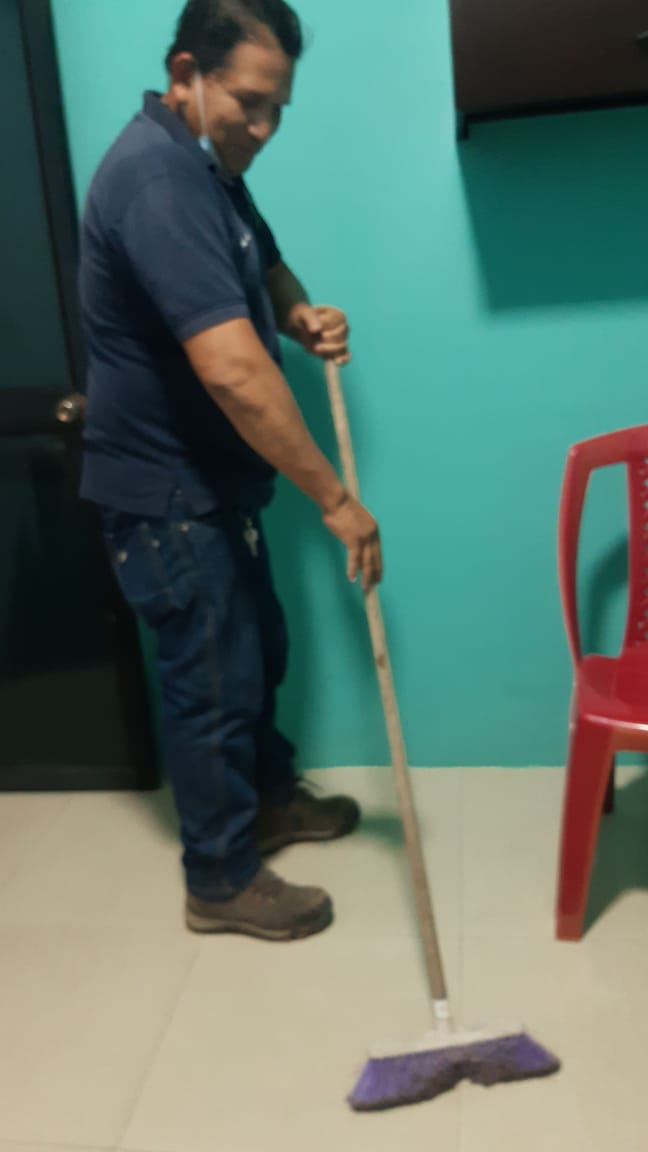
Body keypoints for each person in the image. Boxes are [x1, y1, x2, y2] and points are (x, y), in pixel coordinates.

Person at [79, 0, 383, 942]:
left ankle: (268, 803)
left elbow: (266, 266)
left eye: (278, 108)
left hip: (216, 489)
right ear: (187, 73)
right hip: (167, 496)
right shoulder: (156, 182)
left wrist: (300, 314)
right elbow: (233, 373)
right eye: (250, 103)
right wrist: (335, 500)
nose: (264, 128)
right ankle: (219, 878)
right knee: (212, 682)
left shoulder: (208, 169)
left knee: (258, 655)